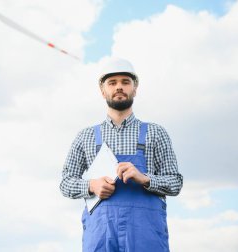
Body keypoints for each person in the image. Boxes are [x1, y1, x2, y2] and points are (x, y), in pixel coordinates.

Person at [59, 58, 183, 252]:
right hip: (101, 236)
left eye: (126, 82)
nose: (119, 87)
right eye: (112, 82)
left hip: (146, 237)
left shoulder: (156, 133)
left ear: (135, 89)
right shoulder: (86, 136)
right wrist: (91, 185)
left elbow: (175, 183)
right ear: (103, 91)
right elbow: (65, 183)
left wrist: (144, 179)